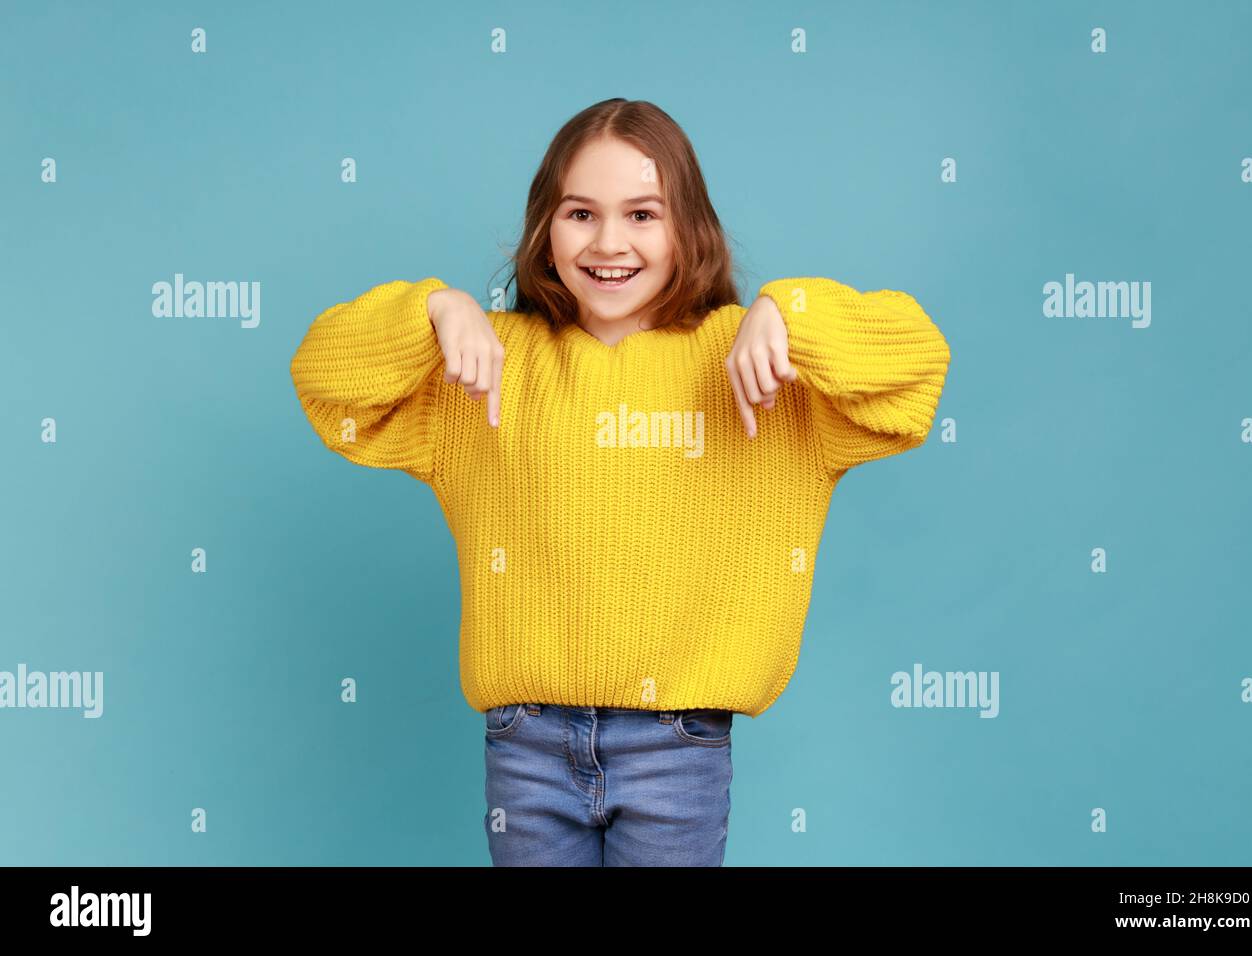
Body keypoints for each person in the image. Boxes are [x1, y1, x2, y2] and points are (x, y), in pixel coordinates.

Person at [289, 97, 952, 866]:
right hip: (524, 741)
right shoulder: (484, 368)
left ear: (688, 228)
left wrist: (789, 310)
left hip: (678, 746)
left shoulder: (759, 366)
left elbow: (916, 367)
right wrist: (434, 310)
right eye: (581, 213)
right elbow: (324, 377)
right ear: (546, 227)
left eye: (643, 214)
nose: (609, 242)